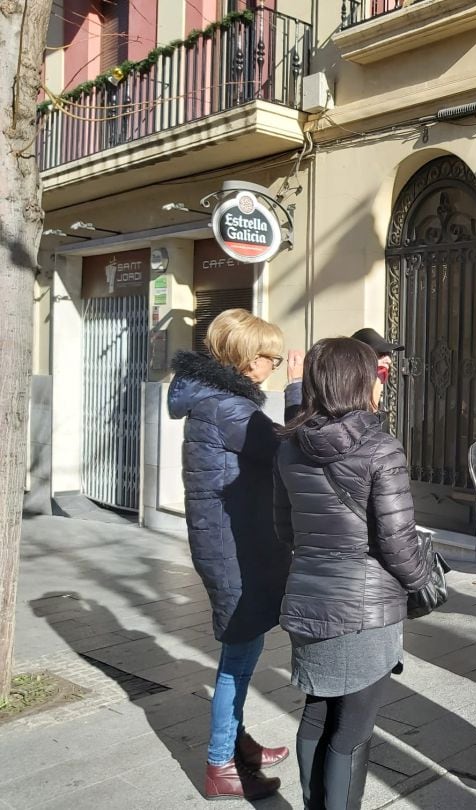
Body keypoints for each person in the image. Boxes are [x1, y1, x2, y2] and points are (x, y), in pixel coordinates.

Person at [274, 338, 433, 808]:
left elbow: (284, 529)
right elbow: (398, 544)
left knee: (317, 713)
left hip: (308, 600)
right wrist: (424, 582)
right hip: (365, 609)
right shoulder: (381, 449)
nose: (381, 384)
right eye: (377, 376)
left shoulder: (289, 447)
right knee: (352, 730)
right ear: (358, 382)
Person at [167, 309, 302, 801]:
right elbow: (293, 452)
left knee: (243, 648)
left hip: (233, 541)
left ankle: (237, 741)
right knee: (239, 656)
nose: (274, 366)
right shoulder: (229, 408)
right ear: (248, 359)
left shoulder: (216, 399)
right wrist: (298, 391)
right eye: (270, 358)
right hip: (233, 548)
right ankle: (220, 763)